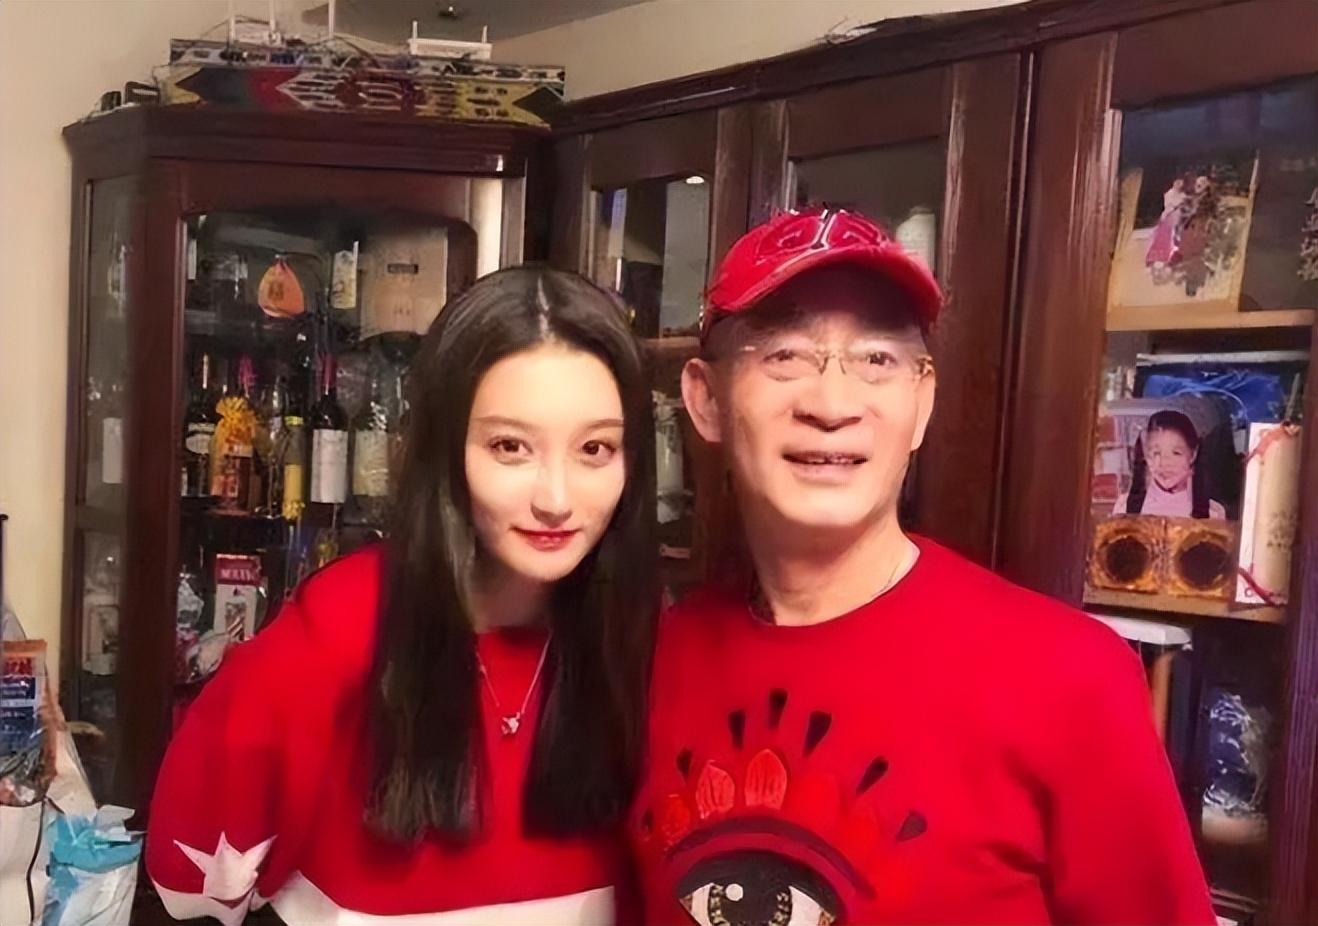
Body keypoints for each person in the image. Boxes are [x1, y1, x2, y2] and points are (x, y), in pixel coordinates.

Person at [629, 207, 1215, 925]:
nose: (833, 404)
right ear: (705, 399)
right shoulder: (656, 662)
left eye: (877, 359)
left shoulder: (1071, 679)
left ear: (923, 400)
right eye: (784, 354)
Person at [147, 267, 657, 924]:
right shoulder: (337, 634)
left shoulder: (644, 642)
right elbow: (189, 882)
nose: (556, 499)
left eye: (595, 448)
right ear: (444, 450)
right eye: (510, 446)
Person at [1115, 409, 1227, 519]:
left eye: (1176, 453)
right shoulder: (1125, 507)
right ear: (1146, 456)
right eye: (1156, 453)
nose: (1165, 463)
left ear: (1193, 454)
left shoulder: (1213, 513)